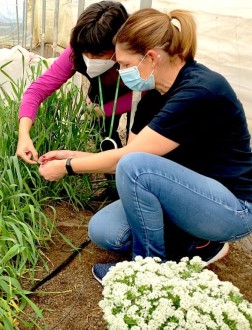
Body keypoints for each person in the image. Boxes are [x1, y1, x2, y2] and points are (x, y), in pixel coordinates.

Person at [36, 8, 252, 285]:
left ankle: (147, 270)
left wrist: (67, 167)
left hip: (231, 208)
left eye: (125, 64)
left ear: (151, 57)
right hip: (185, 195)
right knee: (104, 231)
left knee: (135, 166)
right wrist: (73, 155)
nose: (122, 71)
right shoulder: (154, 95)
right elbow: (125, 159)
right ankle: (196, 242)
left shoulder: (200, 91)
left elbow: (130, 161)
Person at [16, 1, 132, 166]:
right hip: (103, 91)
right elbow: (37, 90)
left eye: (99, 54)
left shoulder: (137, 55)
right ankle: (114, 182)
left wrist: (105, 110)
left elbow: (145, 94)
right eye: (87, 52)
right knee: (101, 134)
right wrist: (23, 134)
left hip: (135, 96)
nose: (91, 59)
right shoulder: (77, 50)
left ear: (119, 45)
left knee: (137, 142)